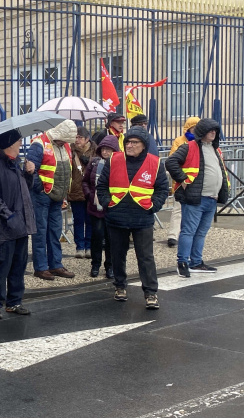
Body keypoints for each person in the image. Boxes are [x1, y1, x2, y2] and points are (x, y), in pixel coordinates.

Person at [96, 126, 169, 309]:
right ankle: (120, 286)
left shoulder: (155, 162)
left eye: (134, 142)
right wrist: (107, 203)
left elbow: (162, 189)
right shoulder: (114, 159)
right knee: (117, 255)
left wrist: (153, 206)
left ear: (143, 145)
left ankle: (150, 293)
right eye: (127, 141)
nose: (129, 145)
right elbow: (102, 186)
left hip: (142, 218)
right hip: (116, 217)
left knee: (145, 257)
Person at [0, 129, 36, 319]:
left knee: (18, 266)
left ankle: (14, 302)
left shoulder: (15, 164)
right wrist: (7, 215)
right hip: (2, 227)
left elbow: (22, 191)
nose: (21, 143)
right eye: (19, 141)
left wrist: (29, 175)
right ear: (10, 144)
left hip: (19, 226)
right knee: (2, 266)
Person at [165, 118, 229, 278]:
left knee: (200, 232)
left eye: (215, 130)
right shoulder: (189, 147)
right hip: (196, 198)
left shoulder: (215, 149)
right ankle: (183, 263)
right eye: (210, 130)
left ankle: (196, 262)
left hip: (211, 198)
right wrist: (183, 179)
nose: (214, 132)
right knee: (189, 230)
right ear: (202, 132)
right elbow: (171, 161)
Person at [26, 120, 77, 280]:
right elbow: (29, 170)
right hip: (42, 195)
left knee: (54, 231)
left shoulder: (65, 145)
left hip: (57, 196)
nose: (65, 143)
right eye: (63, 140)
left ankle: (55, 265)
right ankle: (41, 267)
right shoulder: (38, 145)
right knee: (40, 232)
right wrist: (40, 188)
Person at [82, 136, 120, 278]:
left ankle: (110, 266)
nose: (105, 152)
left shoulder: (119, 165)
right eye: (103, 149)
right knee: (97, 237)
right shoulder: (94, 163)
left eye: (108, 150)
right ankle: (95, 264)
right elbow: (85, 181)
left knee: (111, 238)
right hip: (95, 206)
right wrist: (88, 194)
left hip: (112, 206)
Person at [166, 116, 200, 248]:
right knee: (178, 209)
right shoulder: (180, 141)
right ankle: (173, 236)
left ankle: (188, 235)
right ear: (189, 127)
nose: (196, 129)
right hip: (182, 180)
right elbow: (172, 159)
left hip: (196, 180)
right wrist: (181, 177)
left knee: (193, 211)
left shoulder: (201, 142)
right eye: (194, 127)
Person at [69, 126, 96, 259]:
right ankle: (79, 247)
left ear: (87, 139)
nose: (77, 140)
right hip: (75, 191)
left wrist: (90, 162)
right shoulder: (71, 151)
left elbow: (100, 165)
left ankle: (89, 246)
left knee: (90, 220)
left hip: (90, 190)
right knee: (78, 220)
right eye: (76, 137)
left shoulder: (95, 150)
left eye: (80, 137)